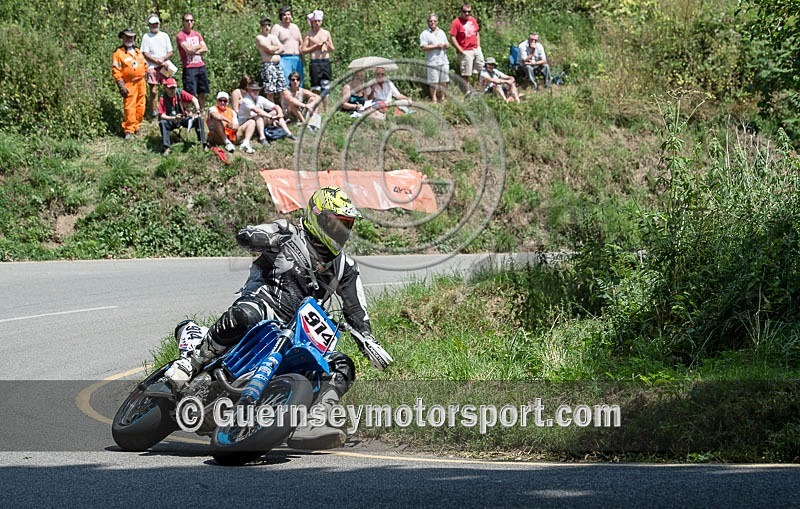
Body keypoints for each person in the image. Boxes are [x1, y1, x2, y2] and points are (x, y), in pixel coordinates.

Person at [163, 186, 393, 449]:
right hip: (264, 305)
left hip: (299, 331)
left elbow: (356, 308)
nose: (341, 230)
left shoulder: (345, 267)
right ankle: (191, 362)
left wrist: (367, 338)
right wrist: (266, 239)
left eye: (346, 224)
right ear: (317, 216)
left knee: (342, 365)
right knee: (246, 315)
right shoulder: (288, 231)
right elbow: (246, 234)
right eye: (335, 222)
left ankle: (315, 419)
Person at [237, 82, 296, 153]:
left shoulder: (260, 98)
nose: (255, 92)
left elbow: (276, 106)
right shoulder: (246, 100)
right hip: (246, 125)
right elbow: (257, 111)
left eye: (257, 90)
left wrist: (280, 113)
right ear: (249, 90)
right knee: (258, 116)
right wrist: (271, 117)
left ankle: (289, 133)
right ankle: (262, 138)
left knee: (275, 112)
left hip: (257, 124)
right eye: (253, 90)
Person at [111, 28, 147, 140]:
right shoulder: (118, 53)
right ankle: (129, 130)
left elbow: (144, 65)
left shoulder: (138, 51)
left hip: (141, 82)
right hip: (129, 83)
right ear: (122, 37)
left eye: (131, 37)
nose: (129, 39)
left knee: (141, 106)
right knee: (129, 107)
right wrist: (121, 85)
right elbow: (116, 70)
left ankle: (137, 126)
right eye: (127, 37)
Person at [157, 77, 208, 155]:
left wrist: (197, 111)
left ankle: (203, 143)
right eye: (170, 88)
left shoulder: (180, 92)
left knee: (199, 119)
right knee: (162, 123)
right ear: (165, 88)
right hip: (171, 120)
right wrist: (174, 118)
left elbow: (194, 99)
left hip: (183, 118)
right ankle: (166, 147)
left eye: (174, 88)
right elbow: (162, 115)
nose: (172, 90)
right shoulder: (162, 98)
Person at [140, 15, 174, 119]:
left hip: (165, 65)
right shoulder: (146, 36)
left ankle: (169, 109)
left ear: (159, 24)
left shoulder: (164, 36)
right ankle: (153, 110)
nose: (154, 26)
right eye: (152, 24)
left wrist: (163, 59)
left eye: (156, 24)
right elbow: (145, 52)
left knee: (168, 87)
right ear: (149, 25)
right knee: (153, 90)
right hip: (152, 66)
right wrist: (156, 60)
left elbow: (170, 52)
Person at [301, 9, 334, 111]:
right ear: (312, 22)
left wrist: (327, 44)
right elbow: (303, 50)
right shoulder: (309, 35)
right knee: (316, 87)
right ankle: (316, 109)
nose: (317, 23)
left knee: (325, 86)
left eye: (319, 21)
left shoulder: (326, 33)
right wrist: (315, 46)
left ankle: (326, 109)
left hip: (325, 61)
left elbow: (332, 49)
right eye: (315, 21)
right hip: (315, 62)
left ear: (321, 21)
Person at [176, 12, 210, 111]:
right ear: (183, 22)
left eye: (191, 20)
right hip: (189, 67)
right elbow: (188, 50)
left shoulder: (197, 34)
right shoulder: (181, 36)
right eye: (187, 20)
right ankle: (189, 112)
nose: (189, 23)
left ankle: (201, 110)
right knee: (190, 92)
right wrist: (199, 46)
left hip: (200, 65)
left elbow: (205, 48)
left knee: (202, 91)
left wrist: (194, 51)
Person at [449, 3, 484, 90]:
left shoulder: (472, 20)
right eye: (465, 11)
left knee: (480, 68)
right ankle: (467, 91)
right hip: (465, 50)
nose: (467, 13)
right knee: (466, 73)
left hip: (475, 48)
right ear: (461, 11)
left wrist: (478, 46)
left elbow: (477, 32)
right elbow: (452, 37)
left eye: (469, 11)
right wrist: (460, 50)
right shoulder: (456, 22)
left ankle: (477, 88)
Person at [419, 13, 450, 103]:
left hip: (443, 60)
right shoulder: (424, 34)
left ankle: (442, 97)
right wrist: (436, 46)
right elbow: (423, 47)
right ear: (428, 22)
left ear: (437, 22)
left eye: (434, 21)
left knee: (444, 80)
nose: (432, 23)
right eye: (431, 21)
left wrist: (446, 45)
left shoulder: (441, 32)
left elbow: (447, 43)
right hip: (432, 61)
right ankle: (434, 99)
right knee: (433, 81)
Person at [271, 6, 304, 88]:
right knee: (286, 83)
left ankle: (298, 96)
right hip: (284, 58)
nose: (287, 17)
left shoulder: (295, 27)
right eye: (284, 15)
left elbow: (301, 43)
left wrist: (303, 59)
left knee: (299, 83)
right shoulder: (277, 27)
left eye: (288, 14)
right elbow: (272, 44)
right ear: (281, 16)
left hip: (297, 58)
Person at [256, 17, 286, 103]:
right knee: (270, 91)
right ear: (261, 26)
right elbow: (269, 48)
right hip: (268, 65)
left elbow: (282, 48)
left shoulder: (273, 37)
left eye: (269, 25)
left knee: (282, 89)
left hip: (277, 65)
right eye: (264, 25)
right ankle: (272, 108)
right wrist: (276, 48)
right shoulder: (259, 38)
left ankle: (283, 109)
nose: (267, 27)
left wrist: (274, 52)